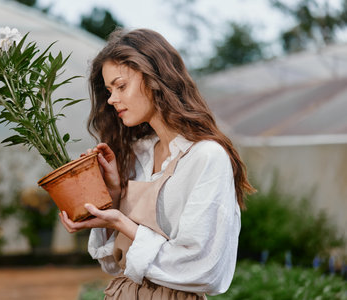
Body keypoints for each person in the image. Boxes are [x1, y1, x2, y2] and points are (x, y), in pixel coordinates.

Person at [59, 28, 255, 299]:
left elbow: (203, 268)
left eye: (121, 86)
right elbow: (115, 264)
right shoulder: (140, 155)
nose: (112, 99)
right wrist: (113, 195)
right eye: (108, 90)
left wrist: (120, 221)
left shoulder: (206, 157)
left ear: (154, 79)